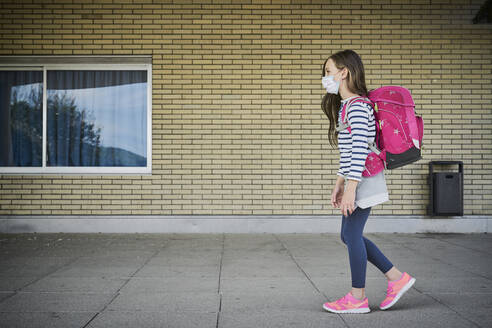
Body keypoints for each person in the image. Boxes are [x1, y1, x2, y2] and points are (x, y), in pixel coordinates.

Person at [320, 49, 416, 314]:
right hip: (356, 179)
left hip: (364, 180)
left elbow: (361, 149)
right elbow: (349, 151)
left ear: (343, 72)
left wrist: (350, 188)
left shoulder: (359, 106)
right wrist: (339, 183)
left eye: (328, 72)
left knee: (351, 235)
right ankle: (397, 278)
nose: (325, 77)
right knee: (348, 235)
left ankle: (357, 297)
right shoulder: (347, 107)